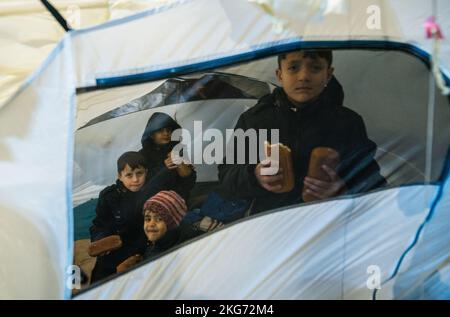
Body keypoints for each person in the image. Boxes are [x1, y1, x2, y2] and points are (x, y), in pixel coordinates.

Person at [218, 49, 386, 214]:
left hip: (329, 220)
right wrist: (255, 176)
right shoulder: (253, 120)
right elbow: (226, 179)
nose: (304, 76)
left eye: (315, 68)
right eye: (293, 68)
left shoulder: (348, 123)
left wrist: (343, 191)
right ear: (280, 75)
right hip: (270, 221)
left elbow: (373, 182)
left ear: (328, 74)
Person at [89, 152, 195, 282]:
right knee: (102, 271)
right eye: (129, 175)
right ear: (119, 176)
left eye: (139, 173)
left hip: (147, 242)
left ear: (146, 172)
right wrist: (102, 239)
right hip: (119, 244)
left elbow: (185, 184)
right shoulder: (110, 196)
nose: (135, 180)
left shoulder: (154, 190)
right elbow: (100, 223)